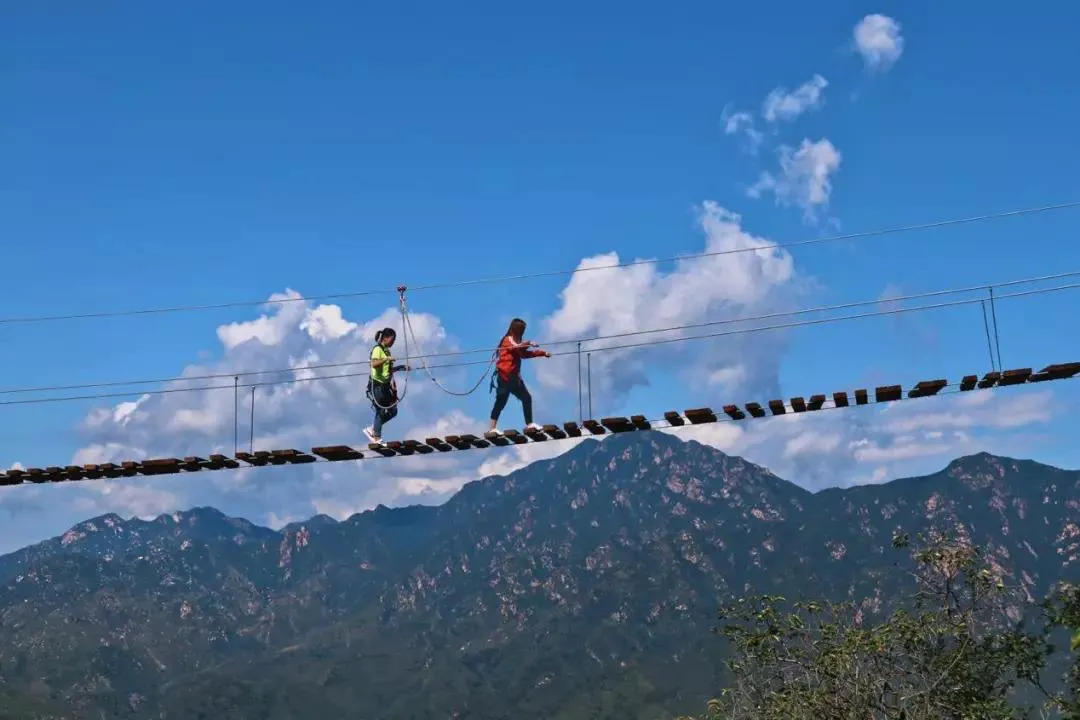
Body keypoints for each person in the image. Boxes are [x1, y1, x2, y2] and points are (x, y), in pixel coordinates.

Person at [489, 318, 551, 434]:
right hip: (505, 376)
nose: (521, 334)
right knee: (504, 401)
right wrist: (528, 343)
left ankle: (529, 424)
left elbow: (523, 354)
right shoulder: (507, 340)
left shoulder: (518, 341)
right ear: (514, 331)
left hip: (513, 377)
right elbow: (515, 348)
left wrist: (542, 353)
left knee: (521, 398)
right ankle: (493, 428)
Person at [364, 328, 409, 444]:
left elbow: (387, 370)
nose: (393, 343)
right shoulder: (377, 349)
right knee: (380, 410)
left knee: (393, 410)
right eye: (392, 340)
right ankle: (376, 437)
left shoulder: (386, 351)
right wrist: (386, 359)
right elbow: (373, 364)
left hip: (384, 386)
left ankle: (373, 429)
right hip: (376, 385)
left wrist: (400, 367)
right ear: (385, 338)